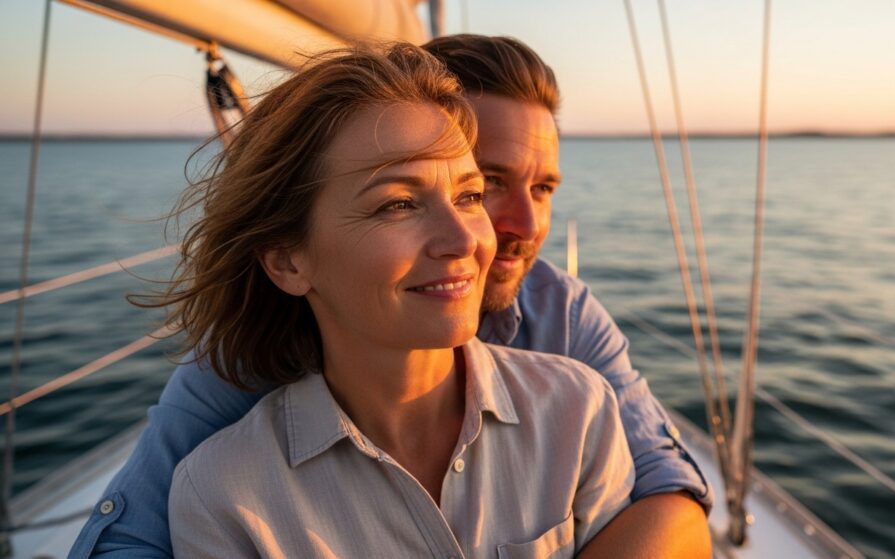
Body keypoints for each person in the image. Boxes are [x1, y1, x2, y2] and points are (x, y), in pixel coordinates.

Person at [71, 35, 712, 558]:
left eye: (539, 188)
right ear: (287, 262)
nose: (519, 226)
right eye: (490, 182)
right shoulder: (227, 468)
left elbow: (670, 495)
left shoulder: (570, 362)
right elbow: (134, 537)